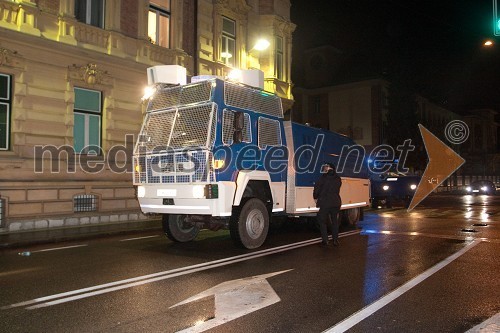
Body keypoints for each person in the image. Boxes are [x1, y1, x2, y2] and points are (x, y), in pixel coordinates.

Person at [313, 163, 342, 247]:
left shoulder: (323, 178)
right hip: (336, 202)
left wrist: (315, 197)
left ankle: (325, 240)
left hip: (325, 202)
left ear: (329, 168)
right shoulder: (338, 178)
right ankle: (335, 240)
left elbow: (317, 188)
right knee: (334, 222)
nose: (324, 168)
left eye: (326, 167)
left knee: (322, 221)